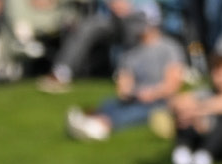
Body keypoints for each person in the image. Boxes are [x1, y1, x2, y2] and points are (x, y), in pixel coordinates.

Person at [63, 1, 184, 140]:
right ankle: (91, 120)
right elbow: (124, 82)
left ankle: (99, 126)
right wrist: (128, 92)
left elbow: (173, 85)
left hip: (159, 100)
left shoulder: (169, 48)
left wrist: (152, 93)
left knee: (135, 112)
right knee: (109, 103)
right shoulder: (129, 51)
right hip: (135, 98)